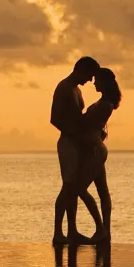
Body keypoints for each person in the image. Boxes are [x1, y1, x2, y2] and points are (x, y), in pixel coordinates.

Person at [57, 67, 121, 244]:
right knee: (101, 189)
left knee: (78, 188)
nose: (94, 82)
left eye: (97, 80)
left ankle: (102, 229)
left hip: (95, 150)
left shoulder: (105, 105)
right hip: (93, 148)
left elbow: (85, 124)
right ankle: (105, 232)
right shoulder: (102, 102)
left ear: (104, 83)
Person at [51, 57, 104, 245]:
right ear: (80, 70)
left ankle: (72, 230)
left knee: (72, 188)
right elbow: (55, 118)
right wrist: (74, 134)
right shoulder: (64, 88)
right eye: (89, 75)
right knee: (68, 186)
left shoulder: (77, 91)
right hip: (68, 142)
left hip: (76, 142)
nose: (90, 80)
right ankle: (58, 232)